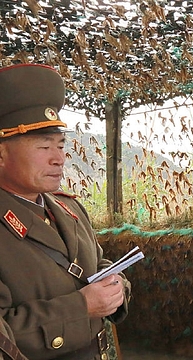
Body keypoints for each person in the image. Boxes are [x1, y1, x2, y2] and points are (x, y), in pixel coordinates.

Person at [0, 63, 131, 360]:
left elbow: (98, 263)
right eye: (44, 147)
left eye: (60, 146)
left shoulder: (69, 208)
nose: (59, 158)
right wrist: (81, 308)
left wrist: (115, 285)